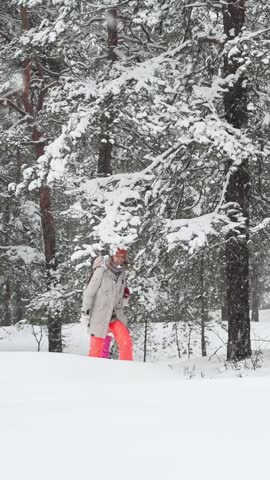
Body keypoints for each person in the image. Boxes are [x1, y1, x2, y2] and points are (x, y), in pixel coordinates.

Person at [81, 247, 133, 360]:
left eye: (122, 257)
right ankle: (93, 374)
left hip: (115, 316)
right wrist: (85, 313)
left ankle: (129, 372)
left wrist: (125, 298)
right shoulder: (101, 270)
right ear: (111, 256)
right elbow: (89, 292)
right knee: (96, 351)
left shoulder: (122, 273)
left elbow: (118, 298)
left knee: (125, 343)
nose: (119, 259)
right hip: (99, 315)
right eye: (117, 256)